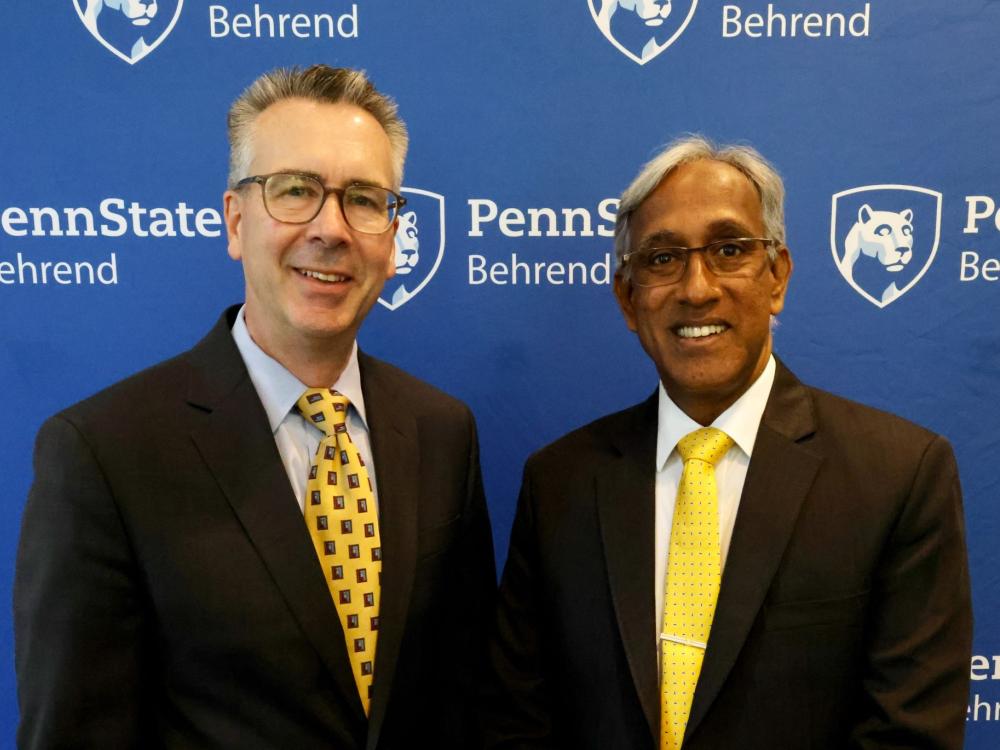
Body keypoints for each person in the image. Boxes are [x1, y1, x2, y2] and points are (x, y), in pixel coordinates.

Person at [15, 65, 495, 750]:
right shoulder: (103, 452)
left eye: (363, 199)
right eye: (295, 190)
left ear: (392, 238)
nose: (331, 228)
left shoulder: (443, 431)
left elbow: (462, 699)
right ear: (236, 221)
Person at [484, 135, 971, 749]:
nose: (697, 288)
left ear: (777, 278)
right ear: (627, 300)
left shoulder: (899, 477)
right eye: (662, 259)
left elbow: (910, 737)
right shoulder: (559, 484)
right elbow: (518, 725)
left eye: (729, 250)